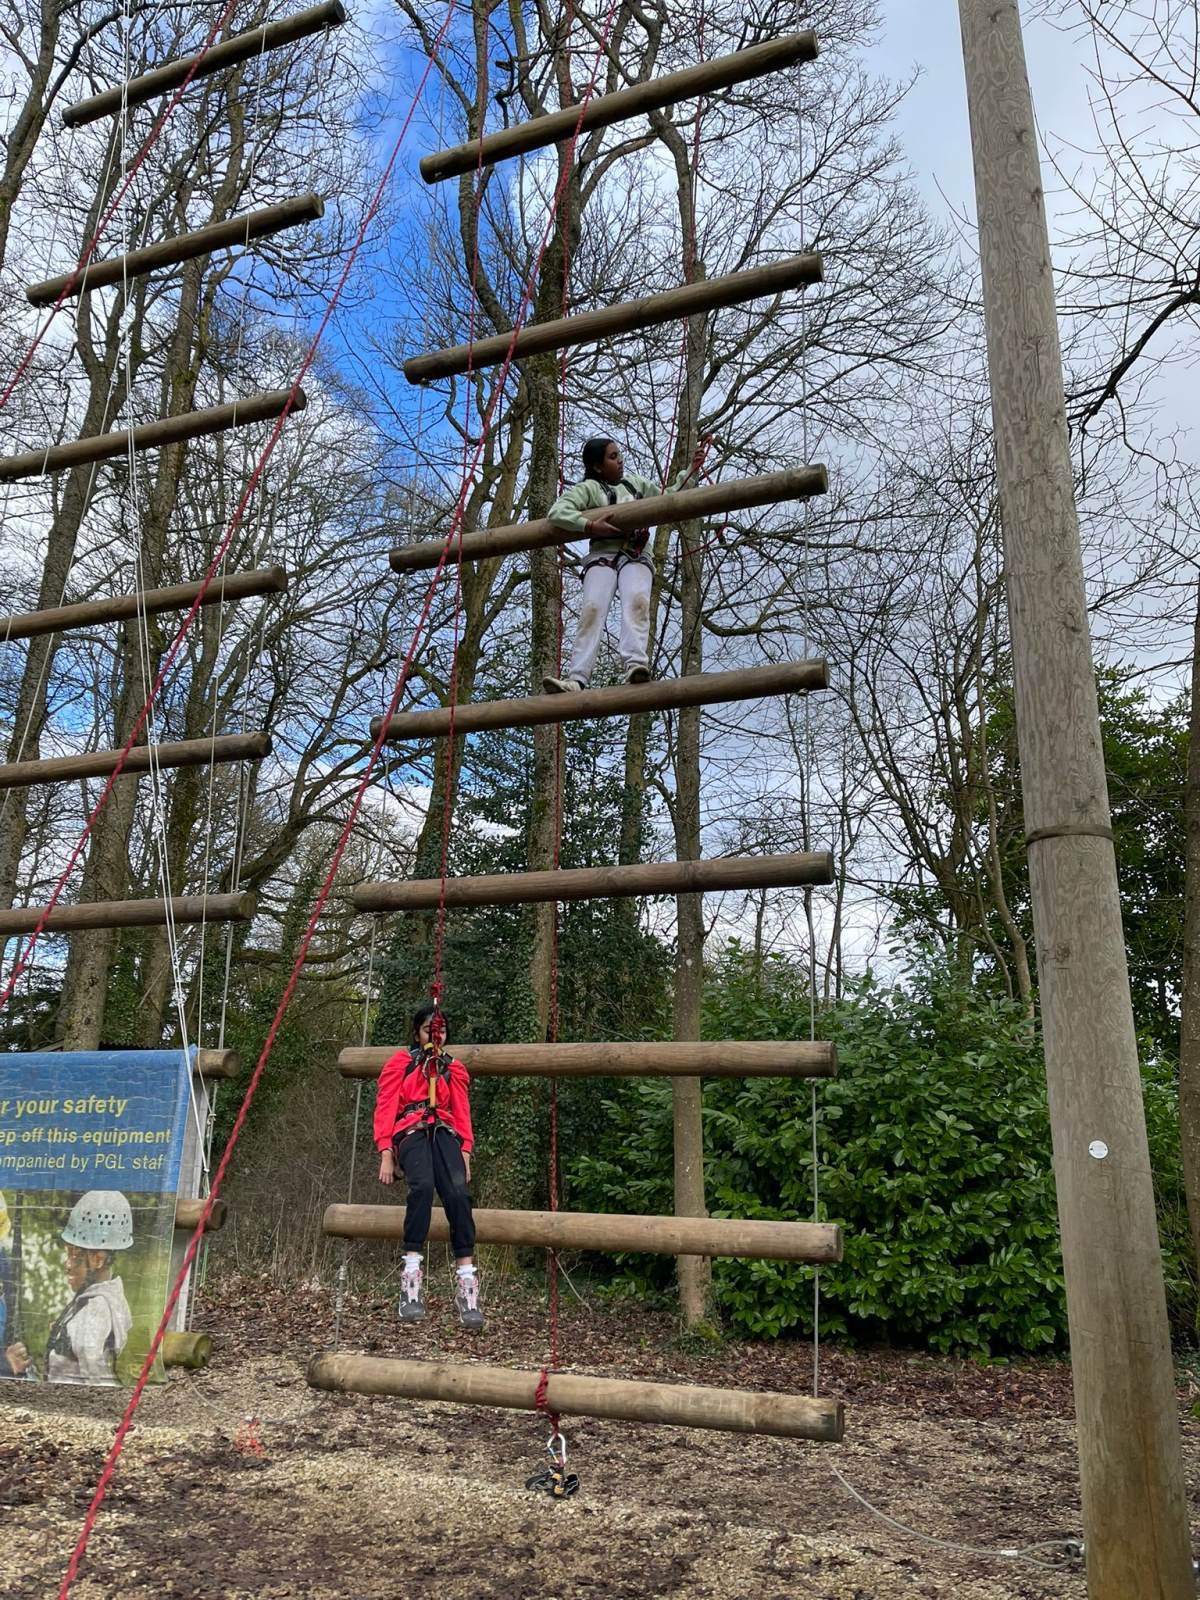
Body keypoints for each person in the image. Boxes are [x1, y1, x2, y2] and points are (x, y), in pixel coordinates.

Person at [542, 437, 707, 694]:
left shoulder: (636, 484)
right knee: (592, 608)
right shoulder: (588, 489)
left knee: (637, 601)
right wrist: (589, 525)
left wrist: (691, 471)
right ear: (597, 466)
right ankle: (577, 678)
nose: (620, 461)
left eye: (619, 455)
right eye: (612, 457)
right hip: (602, 556)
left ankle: (636, 664)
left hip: (635, 552)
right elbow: (557, 512)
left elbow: (668, 497)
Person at [375, 1004, 482, 1331]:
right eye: (428, 1031)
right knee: (421, 1186)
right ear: (417, 1032)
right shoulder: (402, 1064)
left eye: (441, 1032)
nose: (436, 1038)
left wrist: (465, 1151)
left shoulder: (452, 1069)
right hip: (411, 1129)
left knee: (458, 1194)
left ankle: (467, 1282)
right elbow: (386, 1106)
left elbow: (462, 1112)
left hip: (445, 1131)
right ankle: (410, 1277)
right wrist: (386, 1152)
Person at [44, 1191, 134, 1386]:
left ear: (98, 1260)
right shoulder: (111, 1296)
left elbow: (98, 1379)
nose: (67, 1264)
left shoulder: (95, 1310)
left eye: (75, 1255)